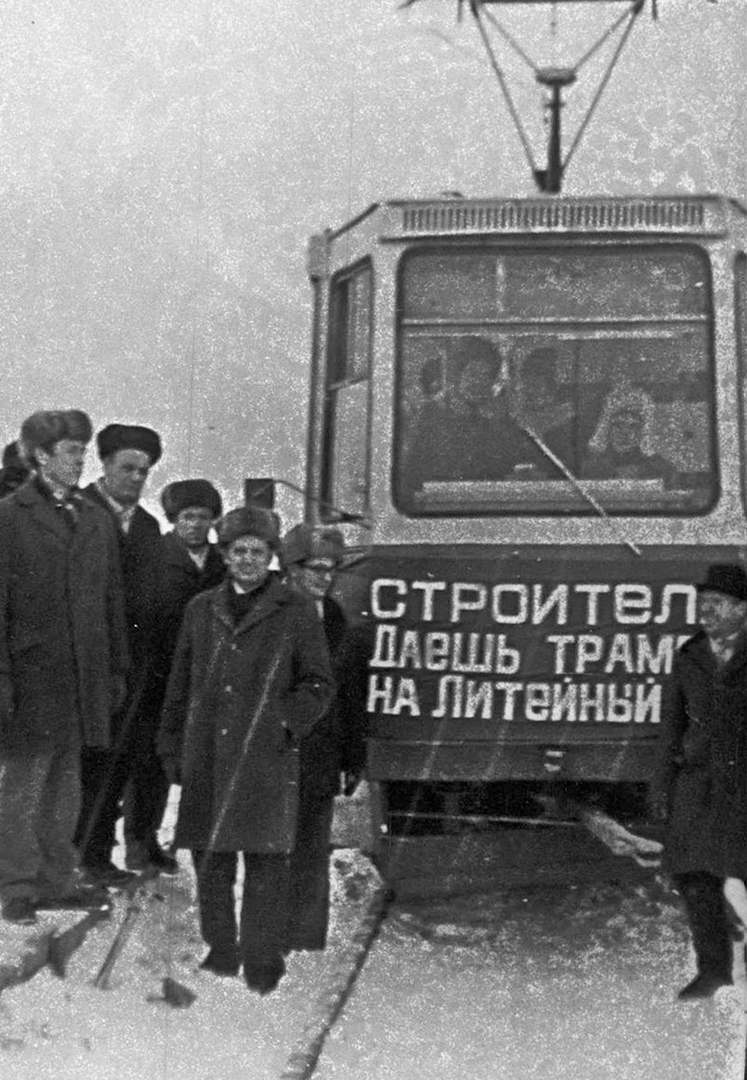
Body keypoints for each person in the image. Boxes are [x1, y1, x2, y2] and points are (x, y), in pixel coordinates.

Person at [157, 507, 335, 993]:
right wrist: (171, 743)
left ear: (272, 557)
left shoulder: (293, 610)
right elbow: (180, 682)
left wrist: (284, 721)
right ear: (225, 555)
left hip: (266, 758)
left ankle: (261, 958)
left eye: (258, 551)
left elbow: (318, 683)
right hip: (208, 756)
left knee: (265, 863)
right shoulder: (201, 609)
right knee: (211, 860)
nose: (248, 560)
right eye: (239, 551)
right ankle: (220, 950)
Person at [0, 411, 129, 924]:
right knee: (25, 784)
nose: (80, 461)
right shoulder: (9, 517)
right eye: (71, 452)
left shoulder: (94, 519)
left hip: (82, 679)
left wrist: (116, 668)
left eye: (82, 450)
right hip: (31, 679)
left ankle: (56, 878)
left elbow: (111, 601)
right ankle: (16, 885)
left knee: (65, 784)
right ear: (40, 457)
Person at [650, 563, 747, 1000]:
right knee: (693, 874)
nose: (705, 613)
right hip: (699, 781)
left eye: (716, 605)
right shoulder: (690, 656)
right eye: (701, 604)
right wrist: (661, 784)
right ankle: (714, 970)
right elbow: (671, 726)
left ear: (742, 609)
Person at [75, 422, 166, 884]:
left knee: (120, 761)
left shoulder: (148, 527)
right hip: (87, 665)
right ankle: (80, 857)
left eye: (143, 471)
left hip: (133, 668)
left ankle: (98, 854)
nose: (134, 478)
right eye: (126, 468)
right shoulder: (78, 514)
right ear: (105, 465)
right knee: (86, 765)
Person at [121, 479, 226, 872]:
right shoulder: (155, 557)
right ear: (173, 519)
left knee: (193, 760)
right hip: (158, 675)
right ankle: (138, 841)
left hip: (205, 677)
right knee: (148, 761)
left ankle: (190, 843)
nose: (195, 525)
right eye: (187, 517)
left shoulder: (220, 562)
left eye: (202, 517)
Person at [280, 523, 366, 952]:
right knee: (274, 847)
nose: (323, 577)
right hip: (277, 751)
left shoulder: (333, 617)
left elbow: (350, 694)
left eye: (330, 569)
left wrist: (354, 756)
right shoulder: (270, 614)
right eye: (314, 568)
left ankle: (306, 938)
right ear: (290, 568)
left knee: (313, 846)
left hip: (321, 753)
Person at [404, 335, 559, 496]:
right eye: (473, 374)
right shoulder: (429, 417)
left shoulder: (496, 423)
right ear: (458, 376)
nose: (480, 382)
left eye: (486, 376)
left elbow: (525, 460)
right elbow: (410, 475)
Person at [581, 386, 677, 484]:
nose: (625, 433)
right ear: (607, 429)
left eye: (633, 426)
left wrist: (641, 472)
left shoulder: (659, 468)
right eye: (618, 425)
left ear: (643, 430)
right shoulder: (593, 468)